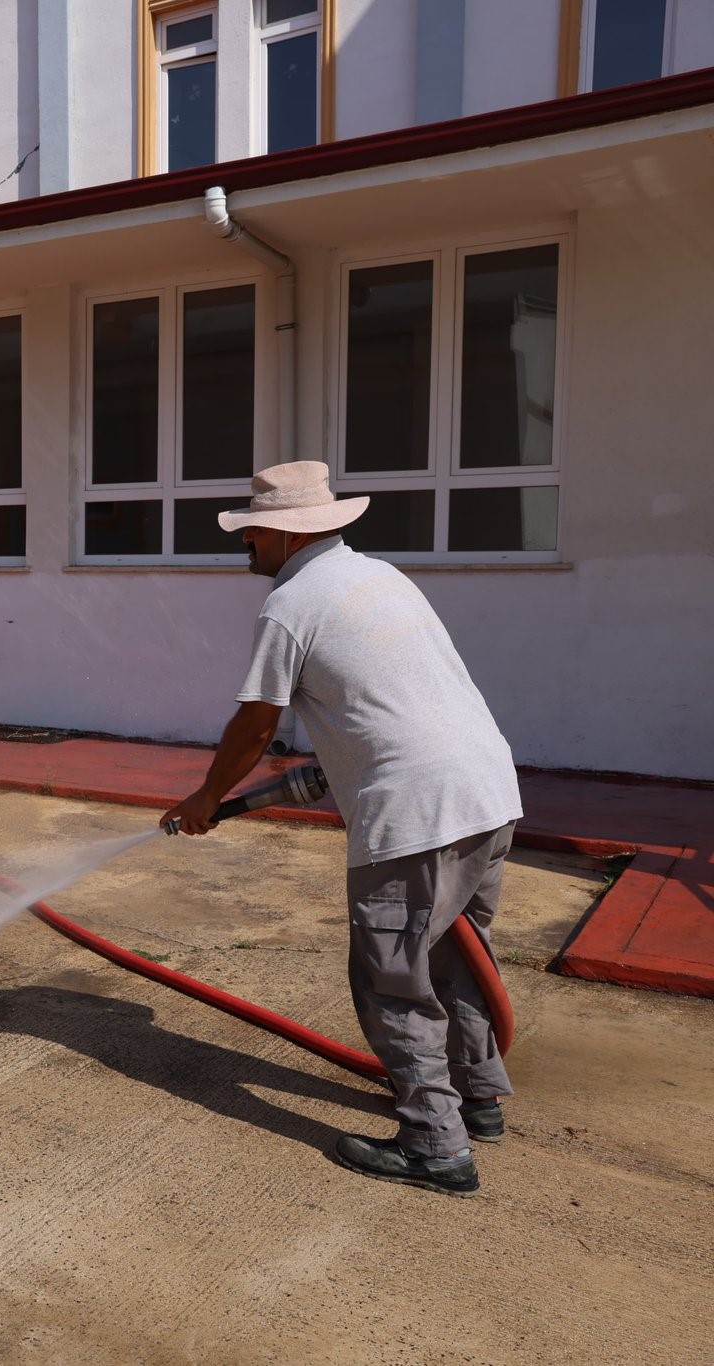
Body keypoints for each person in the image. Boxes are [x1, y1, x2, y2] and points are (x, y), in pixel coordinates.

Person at [161, 461, 524, 1198]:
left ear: (280, 533)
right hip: (488, 791)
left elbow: (255, 725)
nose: (246, 548)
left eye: (251, 533)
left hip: (415, 812)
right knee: (459, 956)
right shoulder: (381, 577)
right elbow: (376, 713)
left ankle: (435, 1146)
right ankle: (478, 1097)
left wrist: (205, 797)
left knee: (392, 980)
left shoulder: (291, 604)